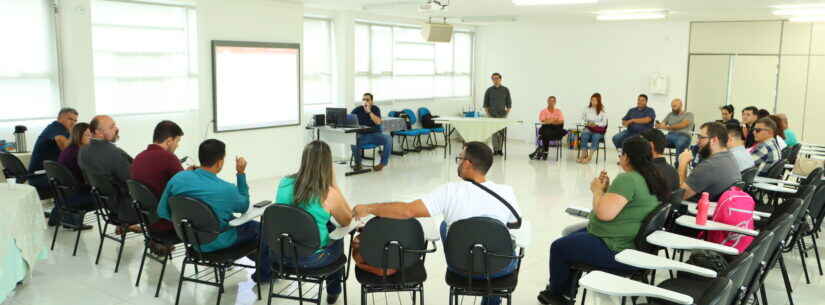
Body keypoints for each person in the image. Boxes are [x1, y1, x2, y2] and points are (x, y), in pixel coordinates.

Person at [353, 142, 526, 305]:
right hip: (500, 269)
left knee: (446, 225)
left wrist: (369, 208)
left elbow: (407, 211)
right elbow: (514, 224)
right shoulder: (506, 192)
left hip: (460, 267)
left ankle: (459, 257)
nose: (457, 162)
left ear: (467, 164)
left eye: (459, 158)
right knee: (499, 236)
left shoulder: (449, 192)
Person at [537, 136, 668, 305]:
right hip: (636, 245)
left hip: (616, 248)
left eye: (621, 154)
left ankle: (557, 296)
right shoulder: (654, 176)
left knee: (559, 247)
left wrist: (597, 191)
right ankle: (566, 292)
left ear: (627, 157)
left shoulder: (628, 179)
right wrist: (607, 191)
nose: (619, 157)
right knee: (570, 238)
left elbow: (603, 214)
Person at [157, 139, 273, 282]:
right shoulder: (225, 189)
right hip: (219, 242)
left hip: (192, 241)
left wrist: (188, 227)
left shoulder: (178, 178)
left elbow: (162, 210)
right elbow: (243, 206)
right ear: (219, 162)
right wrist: (241, 173)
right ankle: (265, 276)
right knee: (262, 230)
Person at [275, 141, 352, 304]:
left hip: (282, 255)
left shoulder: (284, 183)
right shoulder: (328, 193)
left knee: (324, 224)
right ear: (327, 164)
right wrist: (334, 185)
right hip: (311, 260)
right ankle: (333, 291)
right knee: (338, 236)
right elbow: (347, 221)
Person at [131, 121, 189, 253]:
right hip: (168, 224)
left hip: (149, 223)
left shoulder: (138, 158)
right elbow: (187, 187)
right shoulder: (169, 158)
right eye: (177, 141)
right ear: (169, 140)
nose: (177, 145)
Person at [78, 115, 140, 230]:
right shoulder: (113, 153)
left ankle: (122, 226)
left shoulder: (83, 151)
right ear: (98, 132)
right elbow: (131, 180)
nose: (116, 128)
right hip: (124, 207)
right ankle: (160, 239)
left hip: (104, 203)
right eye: (111, 127)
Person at [678, 122, 741, 201]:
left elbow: (680, 196)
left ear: (714, 140)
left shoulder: (710, 165)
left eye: (701, 137)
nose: (697, 142)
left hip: (695, 208)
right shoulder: (729, 156)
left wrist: (682, 164)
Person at [51, 122, 94, 230]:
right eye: (87, 135)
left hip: (64, 194)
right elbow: (88, 178)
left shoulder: (69, 150)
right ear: (78, 136)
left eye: (91, 135)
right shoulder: (78, 153)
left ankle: (63, 218)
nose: (91, 138)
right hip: (75, 194)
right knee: (111, 195)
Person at [28, 108, 78, 192]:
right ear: (60, 118)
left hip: (44, 174)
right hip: (40, 176)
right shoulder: (57, 127)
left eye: (75, 120)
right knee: (80, 181)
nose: (73, 123)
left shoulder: (60, 129)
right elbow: (63, 144)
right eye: (70, 119)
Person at [350, 93, 392, 171]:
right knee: (353, 140)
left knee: (388, 138)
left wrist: (369, 112)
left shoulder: (375, 109)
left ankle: (382, 163)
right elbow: (349, 120)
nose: (365, 101)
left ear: (372, 101)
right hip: (362, 135)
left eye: (367, 100)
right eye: (363, 99)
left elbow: (378, 122)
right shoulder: (357, 109)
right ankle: (358, 164)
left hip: (375, 135)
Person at [483, 72, 512, 155]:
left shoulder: (505, 90)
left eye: (497, 78)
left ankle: (500, 150)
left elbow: (509, 103)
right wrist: (488, 115)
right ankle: (495, 150)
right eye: (493, 78)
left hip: (502, 115)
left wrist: (506, 114)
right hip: (492, 116)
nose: (495, 80)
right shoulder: (489, 90)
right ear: (492, 80)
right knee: (494, 133)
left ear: (500, 79)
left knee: (501, 133)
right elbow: (485, 104)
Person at [531, 96, 566, 160]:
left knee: (544, 132)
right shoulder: (543, 111)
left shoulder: (558, 111)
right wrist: (554, 121)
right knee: (546, 129)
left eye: (553, 101)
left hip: (556, 130)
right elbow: (543, 121)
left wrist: (550, 121)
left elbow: (561, 121)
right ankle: (544, 152)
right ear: (547, 101)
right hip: (549, 130)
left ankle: (544, 151)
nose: (551, 102)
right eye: (550, 101)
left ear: (555, 102)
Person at [578, 93, 607, 164]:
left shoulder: (602, 110)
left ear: (599, 101)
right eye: (592, 100)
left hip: (598, 130)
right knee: (584, 134)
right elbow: (582, 119)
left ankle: (589, 157)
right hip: (589, 128)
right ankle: (583, 154)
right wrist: (587, 123)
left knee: (596, 137)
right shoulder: (587, 109)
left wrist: (595, 124)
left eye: (595, 100)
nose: (593, 102)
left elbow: (604, 123)